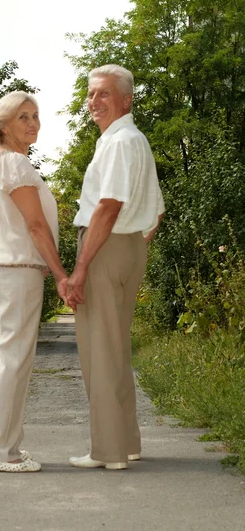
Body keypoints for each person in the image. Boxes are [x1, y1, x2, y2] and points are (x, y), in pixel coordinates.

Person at [67, 64, 165, 470]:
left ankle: (108, 452)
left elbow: (108, 207)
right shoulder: (133, 140)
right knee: (116, 348)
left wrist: (82, 268)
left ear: (126, 100)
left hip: (105, 246)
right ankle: (126, 443)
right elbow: (156, 211)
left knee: (100, 353)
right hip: (127, 246)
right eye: (91, 94)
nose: (93, 102)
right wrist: (131, 247)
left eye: (103, 94)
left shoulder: (120, 142)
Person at [0, 91, 68, 473]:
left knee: (0, 361)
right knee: (13, 361)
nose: (32, 123)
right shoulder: (16, 164)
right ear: (3, 126)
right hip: (15, 272)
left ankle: (5, 448)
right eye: (22, 117)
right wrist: (61, 273)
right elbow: (35, 224)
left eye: (35, 115)